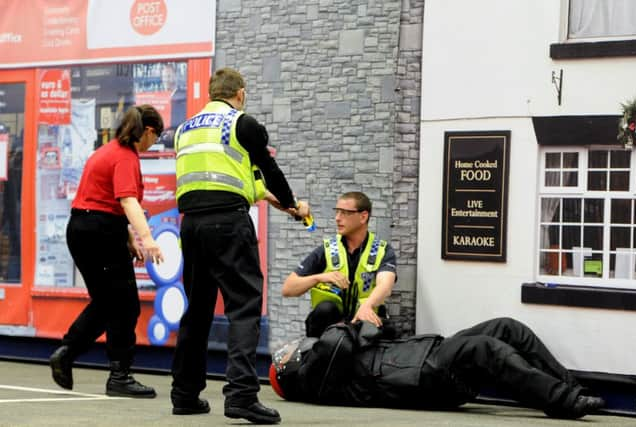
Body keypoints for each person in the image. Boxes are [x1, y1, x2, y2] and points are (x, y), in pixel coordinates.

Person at [170, 67, 309, 424]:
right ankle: (242, 396)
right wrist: (293, 203)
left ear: (210, 92)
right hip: (229, 224)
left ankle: (185, 395)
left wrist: (269, 197)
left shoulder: (185, 129)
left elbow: (230, 177)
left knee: (198, 309)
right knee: (244, 306)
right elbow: (269, 170)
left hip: (192, 226)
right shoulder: (242, 124)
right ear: (240, 94)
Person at [269, 317, 606, 420]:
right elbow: (337, 340)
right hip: (421, 376)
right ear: (288, 370)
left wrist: (374, 326)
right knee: (484, 348)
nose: (289, 350)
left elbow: (374, 335)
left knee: (506, 328)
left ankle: (570, 385)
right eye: (283, 357)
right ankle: (561, 401)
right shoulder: (315, 381)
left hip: (426, 356)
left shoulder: (326, 364)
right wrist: (354, 323)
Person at [49, 105, 165, 398]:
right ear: (149, 131)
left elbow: (103, 202)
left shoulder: (107, 151)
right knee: (125, 305)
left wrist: (128, 240)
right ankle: (118, 375)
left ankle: (68, 352)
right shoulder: (125, 157)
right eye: (156, 136)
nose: (154, 142)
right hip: (99, 232)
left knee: (108, 302)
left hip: (84, 229)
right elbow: (127, 202)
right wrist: (148, 238)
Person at [282, 191, 397, 338]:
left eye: (345, 213)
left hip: (363, 323)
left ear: (363, 217)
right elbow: (288, 288)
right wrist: (320, 277)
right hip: (331, 329)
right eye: (337, 212)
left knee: (388, 330)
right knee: (325, 310)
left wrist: (367, 306)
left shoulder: (382, 250)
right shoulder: (328, 249)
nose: (337, 218)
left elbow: (385, 286)